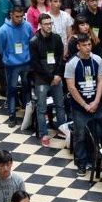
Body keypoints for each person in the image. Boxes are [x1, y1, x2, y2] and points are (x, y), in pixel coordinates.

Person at [64, 34, 102, 177]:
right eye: (85, 45)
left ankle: (98, 158)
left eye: (89, 44)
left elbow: (100, 81)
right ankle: (81, 163)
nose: (88, 48)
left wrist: (96, 102)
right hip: (79, 107)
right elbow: (71, 87)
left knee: (99, 132)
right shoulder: (72, 63)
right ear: (78, 46)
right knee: (80, 135)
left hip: (96, 103)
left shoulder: (97, 59)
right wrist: (84, 105)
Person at [29, 13, 67, 146]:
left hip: (56, 76)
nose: (49, 26)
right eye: (46, 24)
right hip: (42, 79)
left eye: (50, 23)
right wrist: (51, 78)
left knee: (60, 105)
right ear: (40, 25)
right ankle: (44, 133)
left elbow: (61, 59)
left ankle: (63, 129)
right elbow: (35, 65)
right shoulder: (34, 41)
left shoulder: (57, 38)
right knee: (41, 108)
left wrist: (57, 75)